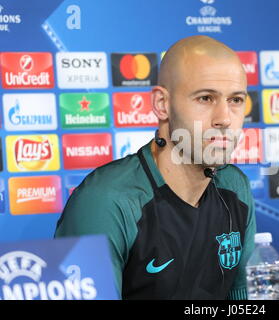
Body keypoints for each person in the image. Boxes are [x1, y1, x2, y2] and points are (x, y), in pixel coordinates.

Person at [54, 35, 256, 300]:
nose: (224, 119)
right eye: (206, 98)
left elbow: (244, 298)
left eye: (236, 100)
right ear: (162, 104)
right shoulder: (105, 202)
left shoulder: (235, 187)